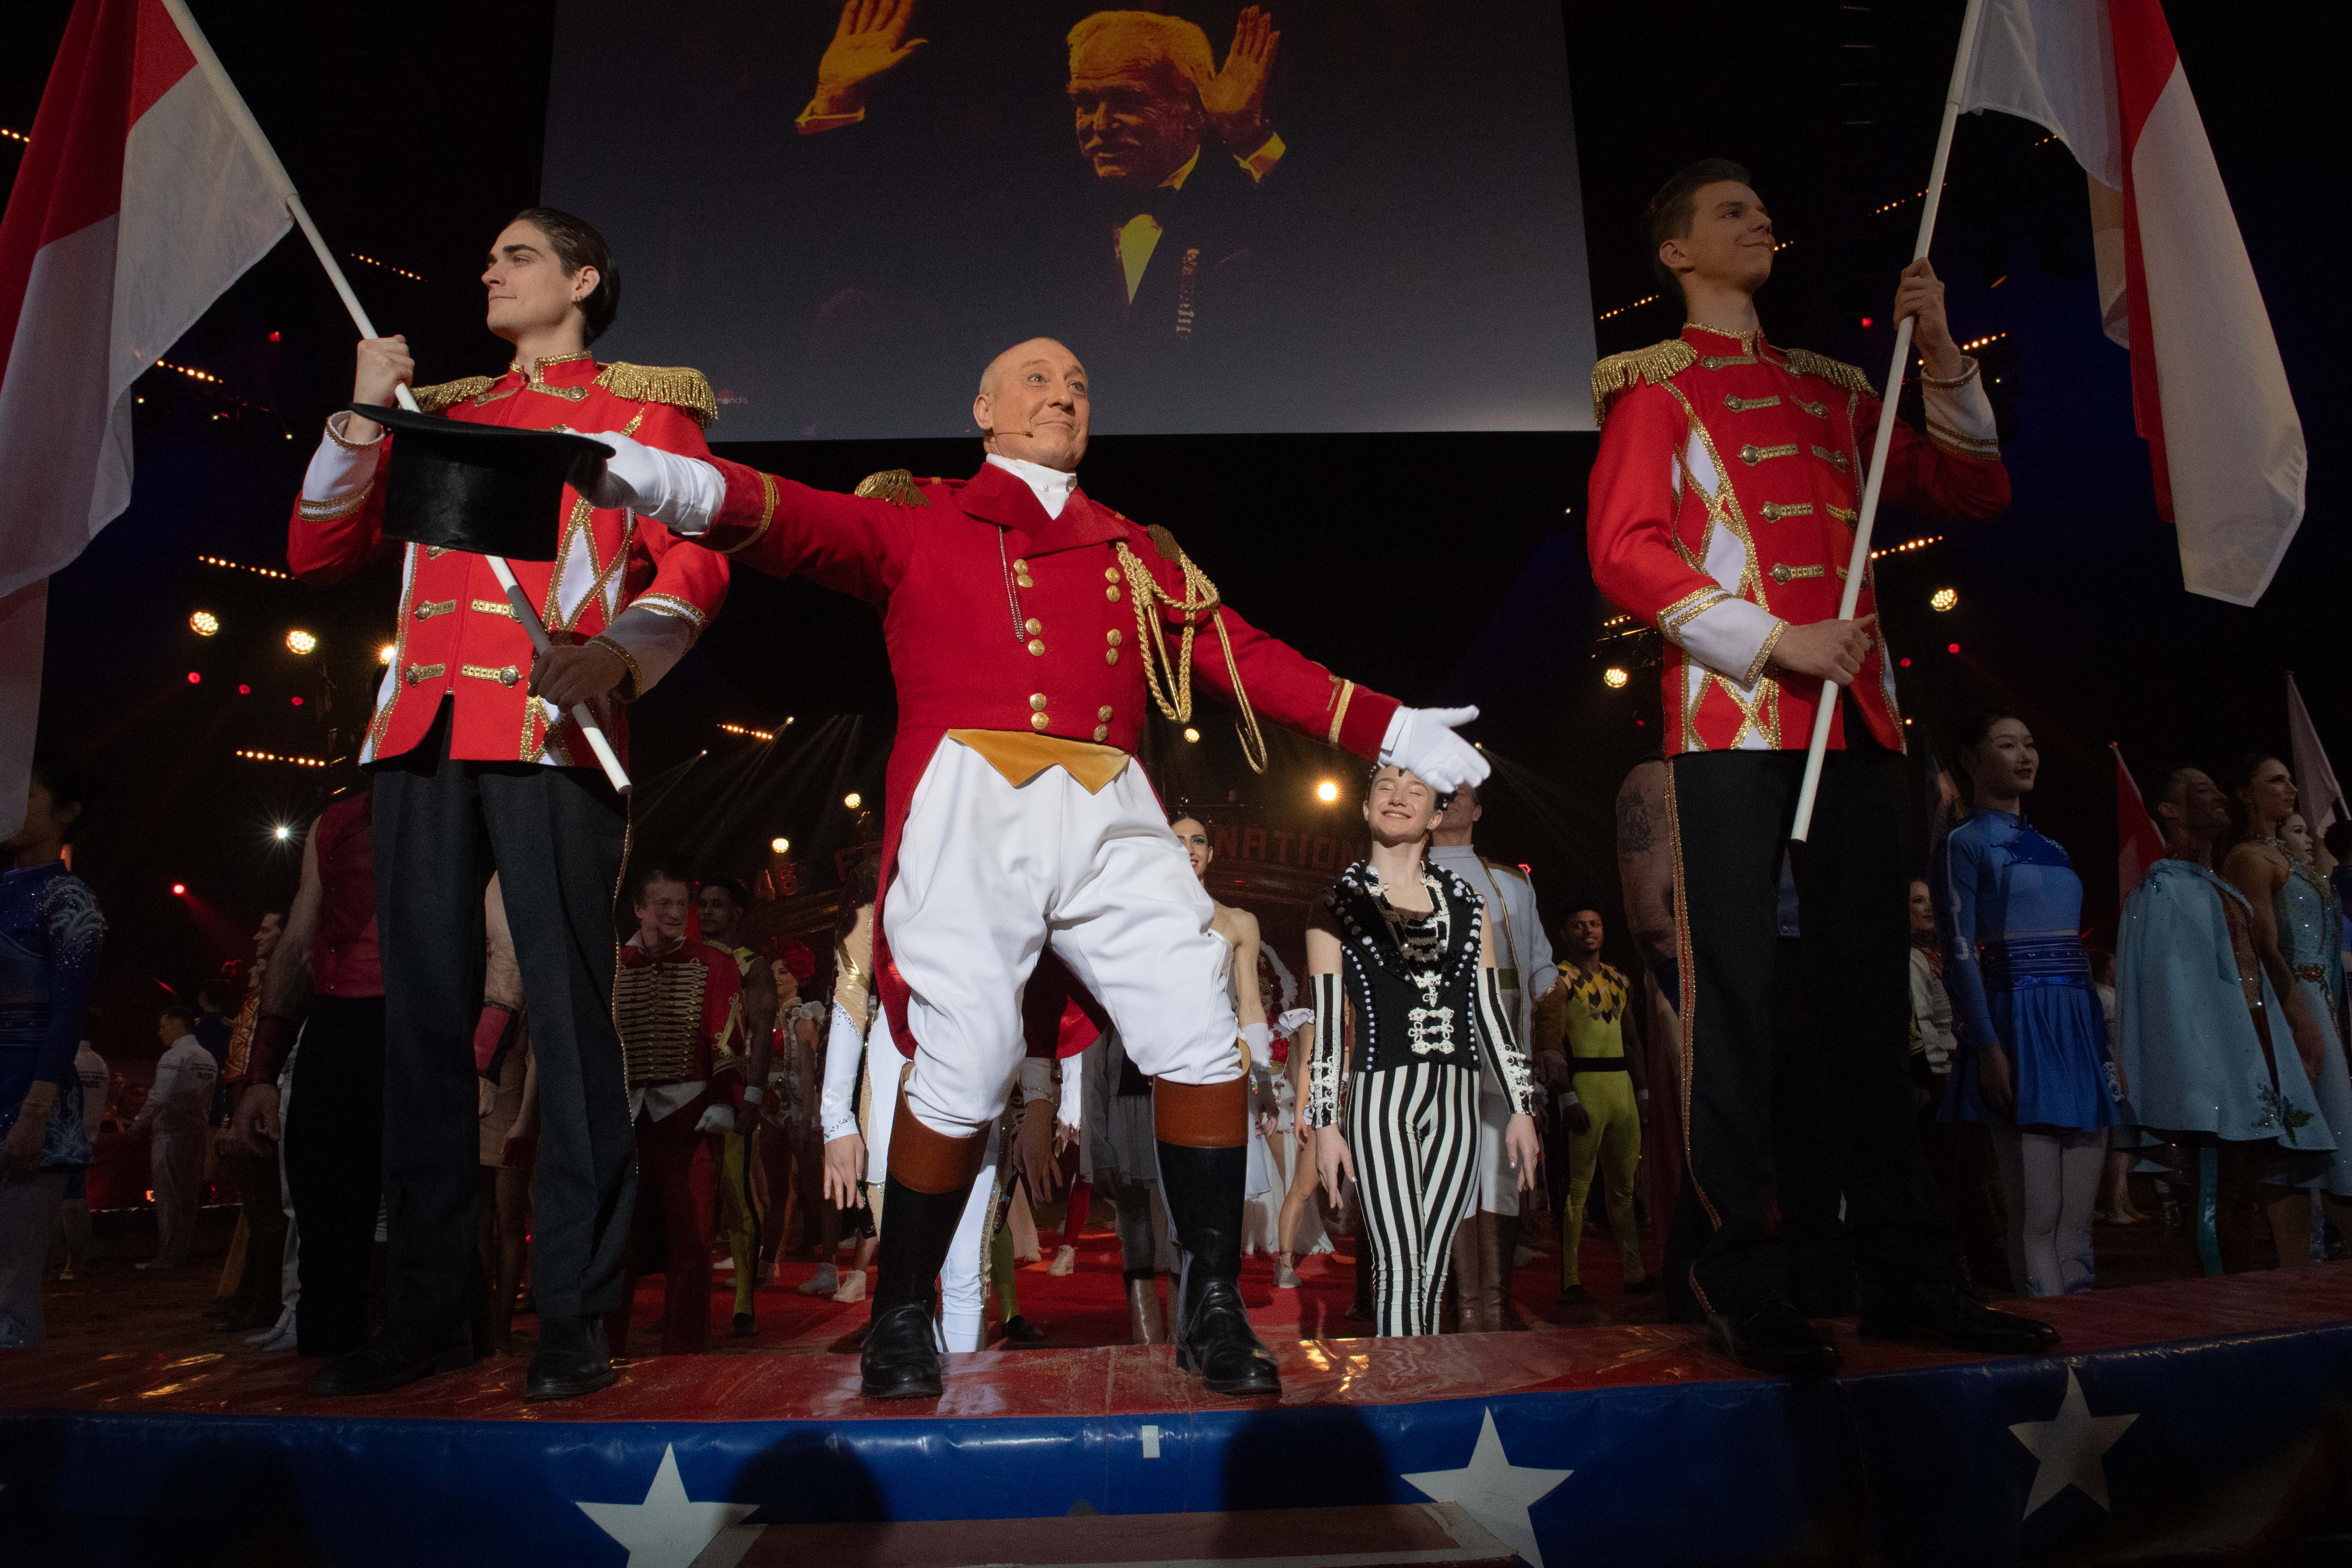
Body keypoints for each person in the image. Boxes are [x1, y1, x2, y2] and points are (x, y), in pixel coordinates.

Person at [578, 335, 1486, 1399]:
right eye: (1039, 380)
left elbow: (1241, 656)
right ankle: (902, 1308)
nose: (1064, 395)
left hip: (1112, 804)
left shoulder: (1132, 550)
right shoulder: (924, 516)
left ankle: (1211, 1303)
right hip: (974, 801)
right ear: (984, 409)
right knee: (966, 1055)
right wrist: (666, 478)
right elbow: (795, 518)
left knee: (1199, 1022)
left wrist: (1389, 726)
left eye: (1080, 384)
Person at [1584, 158, 2052, 1373]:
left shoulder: (1835, 390)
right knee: (1737, 1012)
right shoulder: (1655, 390)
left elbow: (1975, 488)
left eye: (1761, 206)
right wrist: (1772, 639)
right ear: (1676, 253)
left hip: (1857, 729)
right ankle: (1739, 1279)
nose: (1761, 220)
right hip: (1730, 733)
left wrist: (1940, 351)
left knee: (1869, 1011)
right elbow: (1623, 549)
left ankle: (1907, 1276)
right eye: (1731, 212)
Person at [287, 207, 731, 1401]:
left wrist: (622, 655)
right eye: (487, 255)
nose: (490, 269)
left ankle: (577, 1313)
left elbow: (698, 561)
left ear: (584, 280)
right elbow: (319, 553)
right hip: (420, 732)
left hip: (551, 733)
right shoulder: (441, 412)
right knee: (422, 1032)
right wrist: (359, 416)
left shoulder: (642, 414)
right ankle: (431, 1309)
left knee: (570, 1028)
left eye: (519, 255)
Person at [799, 4, 1287, 362]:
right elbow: (875, 249)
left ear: (1194, 110)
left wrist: (1250, 137)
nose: (1100, 124)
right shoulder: (1032, 213)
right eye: (1085, 103)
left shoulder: (1247, 204)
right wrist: (837, 102)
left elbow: (1316, 249)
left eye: (1126, 101)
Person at [1304, 765, 1541, 1338]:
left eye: (1416, 791)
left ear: (1436, 815)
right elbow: (1330, 1021)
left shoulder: (1467, 904)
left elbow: (1491, 1012)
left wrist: (1522, 1107)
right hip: (1381, 1099)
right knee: (1397, 1267)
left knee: (1432, 1270)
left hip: (1459, 1101)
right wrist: (1326, 1124)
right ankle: (1402, 1382)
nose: (1398, 798)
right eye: (1385, 788)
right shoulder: (1336, 905)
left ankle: (1418, 1379)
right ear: (1366, 808)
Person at [2116, 765, 2331, 1274]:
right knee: (2216, 1191)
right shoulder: (2164, 887)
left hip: (2249, 1052)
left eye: (2215, 786)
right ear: (2170, 809)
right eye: (2200, 790)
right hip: (2209, 1066)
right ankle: (2218, 1299)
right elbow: (2170, 995)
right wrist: (2196, 1071)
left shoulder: (2213, 885)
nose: (2216, 795)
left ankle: (2242, 1296)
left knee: (2241, 1192)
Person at [1934, 713, 2120, 1298]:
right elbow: (1959, 952)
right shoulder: (1964, 843)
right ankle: (2051, 1340)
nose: (2026, 755)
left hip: (2075, 1028)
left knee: (2079, 1221)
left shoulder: (2055, 847)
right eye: (2007, 744)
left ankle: (2085, 1342)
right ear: (1971, 760)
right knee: (2037, 1215)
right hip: (2017, 1025)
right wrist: (1989, 1046)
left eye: (2031, 744)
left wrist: (2100, 1042)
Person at [232, 783, 387, 1356]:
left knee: (421, 1219)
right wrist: (262, 1075)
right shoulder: (336, 822)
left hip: (424, 1021)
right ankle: (324, 1349)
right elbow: (298, 942)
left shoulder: (465, 804)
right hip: (337, 1020)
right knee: (323, 1213)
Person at [1427, 785, 1553, 1331]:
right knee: (1446, 1171)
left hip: (1504, 1048)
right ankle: (1460, 1307)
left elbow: (1543, 970)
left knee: (1501, 1169)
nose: (1450, 798)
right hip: (1435, 1050)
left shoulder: (1511, 883)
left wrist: (1548, 1043)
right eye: (1440, 791)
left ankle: (1495, 1308)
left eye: (1461, 792)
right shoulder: (1404, 875)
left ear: (1478, 810)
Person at [607, 869, 744, 1358]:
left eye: (679, 904)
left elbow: (728, 1034)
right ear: (639, 909)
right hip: (627, 1118)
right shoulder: (615, 964)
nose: (673, 913)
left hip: (690, 1117)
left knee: (692, 1237)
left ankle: (684, 1352)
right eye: (661, 903)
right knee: (617, 1238)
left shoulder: (713, 963)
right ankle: (604, 1345)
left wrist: (725, 1098)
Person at [2221, 760, 2352, 1261]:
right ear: (2245, 794)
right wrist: (2297, 1016)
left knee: (2333, 1137)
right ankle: (2298, 1267)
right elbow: (2263, 946)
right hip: (2294, 1003)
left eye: (2289, 778)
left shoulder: (2287, 856)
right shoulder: (2249, 857)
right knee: (2309, 1143)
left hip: (2325, 1001)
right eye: (2276, 780)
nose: (2291, 787)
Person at [0, 756, 100, 1346]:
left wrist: (33, 1116)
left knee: (9, 1302)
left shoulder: (69, 901)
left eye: (29, 796)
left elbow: (69, 1014)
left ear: (67, 813)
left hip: (29, 1117)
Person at [1167, 816, 1277, 1254]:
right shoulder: (1144, 917)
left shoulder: (1238, 921)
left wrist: (1263, 1085)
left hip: (1222, 1067)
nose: (1189, 848)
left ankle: (1216, 1292)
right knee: (1172, 1214)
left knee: (1219, 1213)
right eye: (1178, 840)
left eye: (1198, 841)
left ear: (1211, 853)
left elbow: (1250, 1007)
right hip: (1163, 1068)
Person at [1531, 906, 1651, 1308]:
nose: (1588, 931)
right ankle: (1571, 1279)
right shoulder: (1558, 980)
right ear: (1565, 933)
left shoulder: (1619, 979)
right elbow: (1551, 1041)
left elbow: (1631, 1040)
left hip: (1620, 1089)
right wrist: (1567, 1096)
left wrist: (1643, 1094)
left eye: (1595, 924)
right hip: (1584, 1086)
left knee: (1624, 1189)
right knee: (1577, 1190)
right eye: (1579, 925)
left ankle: (1634, 1273)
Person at [695, 878, 778, 1336]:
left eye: (718, 904)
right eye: (703, 904)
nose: (708, 912)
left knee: (735, 1191)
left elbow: (761, 1032)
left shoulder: (751, 966)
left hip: (730, 1089)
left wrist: (753, 1093)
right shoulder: (686, 957)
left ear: (736, 913)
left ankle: (743, 1304)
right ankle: (689, 1296)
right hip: (686, 1089)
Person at [214, 912, 289, 1333]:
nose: (257, 936)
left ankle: (264, 1303)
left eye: (267, 930)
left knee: (267, 1213)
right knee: (258, 1213)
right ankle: (251, 1298)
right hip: (249, 1099)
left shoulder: (284, 996)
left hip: (263, 1103)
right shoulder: (261, 1000)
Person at [134, 1006, 215, 1272]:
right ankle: (180, 1253)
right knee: (188, 1198)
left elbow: (159, 1096)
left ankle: (167, 1257)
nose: (160, 1032)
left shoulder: (174, 1055)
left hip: (169, 1135)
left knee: (168, 1197)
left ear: (176, 1024)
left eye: (163, 1025)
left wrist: (138, 1124)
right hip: (196, 1134)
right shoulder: (208, 1058)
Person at [2088, 948, 2148, 1227]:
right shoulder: (2108, 999)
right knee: (2119, 1144)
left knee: (2116, 1143)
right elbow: (2112, 1042)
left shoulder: (2099, 997)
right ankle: (2117, 1203)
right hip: (2112, 1075)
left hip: (2109, 1073)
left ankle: (2121, 1202)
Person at [57, 1028, 108, 1282]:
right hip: (86, 1137)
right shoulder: (100, 1064)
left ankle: (72, 1264)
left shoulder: (65, 1061)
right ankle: (76, 1261)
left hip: (65, 1140)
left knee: (70, 1203)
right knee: (76, 1201)